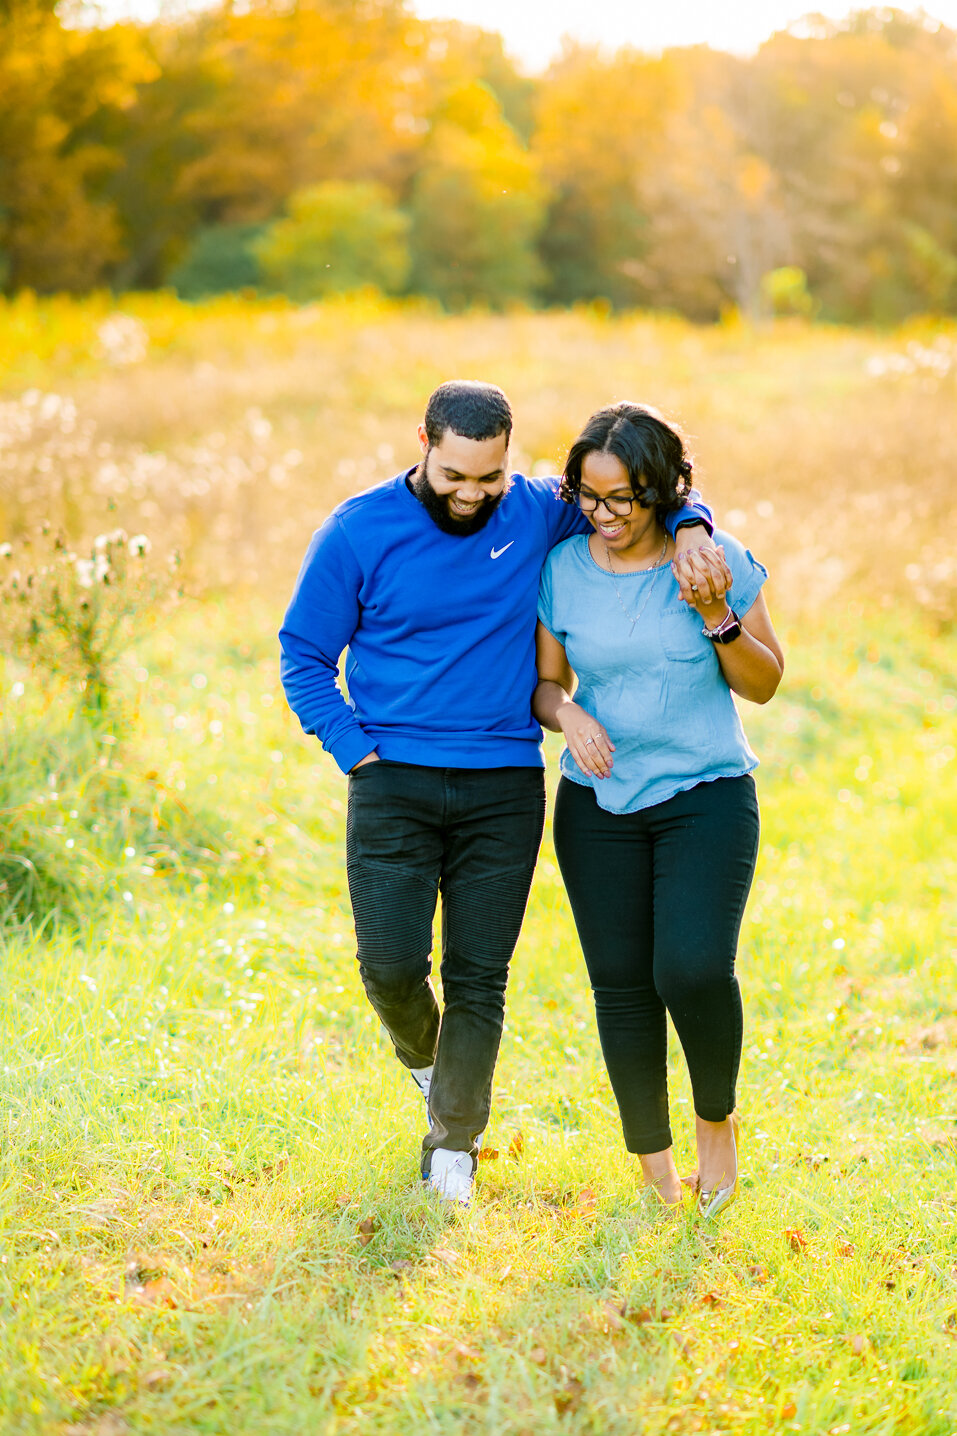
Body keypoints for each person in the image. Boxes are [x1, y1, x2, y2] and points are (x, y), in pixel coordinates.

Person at [279, 382, 714, 1205]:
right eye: (453, 476)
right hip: (391, 782)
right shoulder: (356, 531)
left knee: (480, 975)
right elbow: (302, 654)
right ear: (422, 443)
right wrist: (357, 754)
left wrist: (692, 527)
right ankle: (433, 1068)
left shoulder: (536, 509)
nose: (472, 495)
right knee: (390, 967)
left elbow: (645, 495)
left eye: (489, 477)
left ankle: (454, 1146)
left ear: (509, 459)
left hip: (503, 786)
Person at [533, 401, 783, 1217]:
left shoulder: (716, 559)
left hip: (704, 795)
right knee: (620, 985)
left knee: (691, 968)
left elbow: (766, 682)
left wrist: (716, 616)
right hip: (596, 805)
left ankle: (717, 1122)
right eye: (588, 497)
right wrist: (567, 714)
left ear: (663, 493)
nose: (603, 516)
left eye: (624, 500)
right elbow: (545, 682)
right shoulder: (562, 568)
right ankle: (653, 1165)